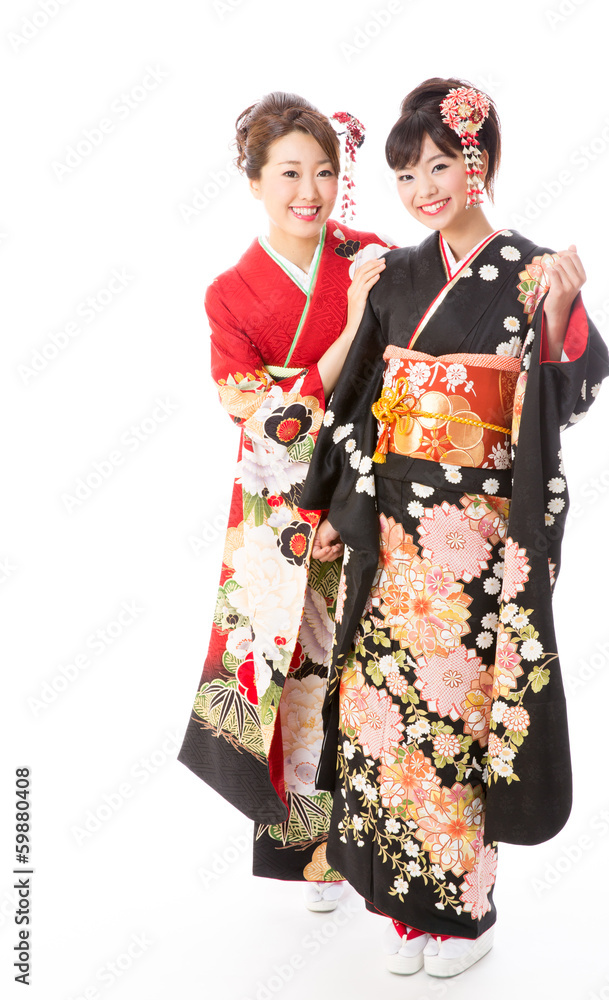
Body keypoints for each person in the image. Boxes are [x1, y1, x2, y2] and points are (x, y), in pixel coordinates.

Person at [299, 77, 609, 974]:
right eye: (405, 174)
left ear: (479, 163)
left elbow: (570, 395)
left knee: (460, 716)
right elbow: (356, 399)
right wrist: (328, 505)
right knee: (383, 710)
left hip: (476, 539)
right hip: (394, 528)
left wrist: (555, 314)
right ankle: (403, 910)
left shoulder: (530, 268)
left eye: (439, 164)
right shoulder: (393, 275)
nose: (423, 188)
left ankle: (462, 916)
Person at [177, 91, 394, 911]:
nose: (310, 189)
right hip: (281, 508)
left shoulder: (367, 252)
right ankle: (309, 853)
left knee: (373, 673)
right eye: (290, 172)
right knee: (296, 681)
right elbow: (253, 409)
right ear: (255, 181)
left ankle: (378, 847)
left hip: (368, 492)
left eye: (325, 172)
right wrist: (346, 334)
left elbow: (409, 363)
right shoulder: (230, 294)